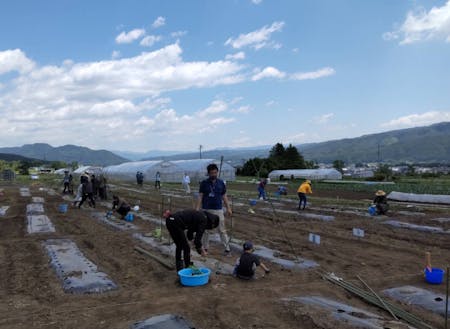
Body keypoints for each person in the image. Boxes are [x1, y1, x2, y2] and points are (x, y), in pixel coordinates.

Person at [196, 163, 232, 255]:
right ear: (208, 173)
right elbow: (200, 196)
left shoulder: (221, 183)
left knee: (222, 229)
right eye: (212, 173)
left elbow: (224, 196)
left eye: (215, 172)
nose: (214, 175)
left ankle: (227, 249)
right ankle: (205, 248)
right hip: (206, 210)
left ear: (217, 172)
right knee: (206, 230)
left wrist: (228, 208)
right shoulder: (204, 183)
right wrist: (197, 209)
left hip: (218, 210)